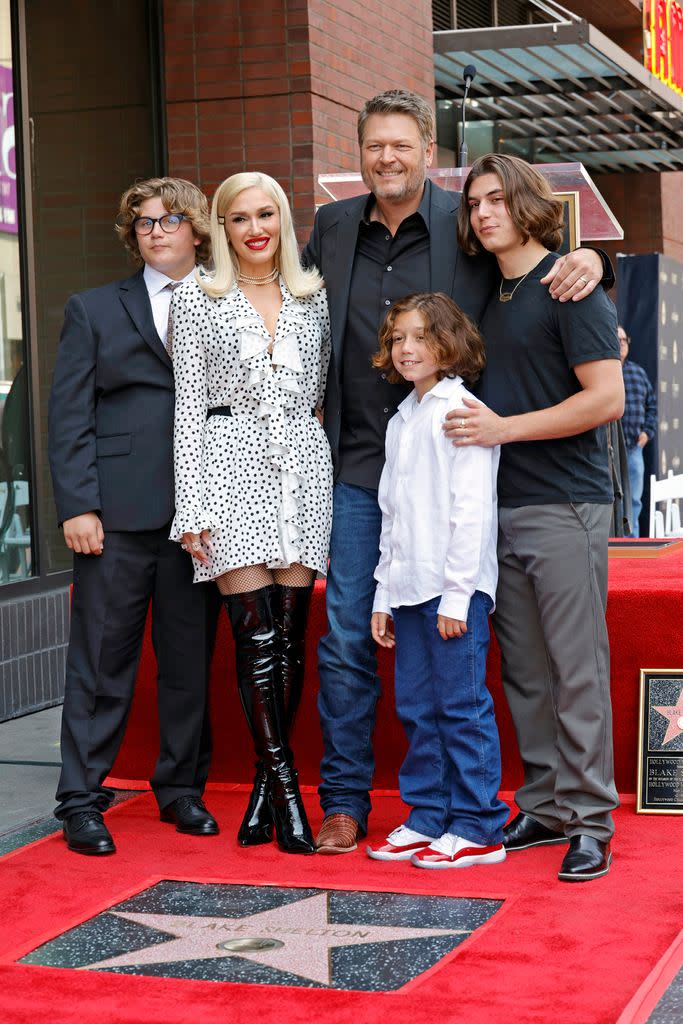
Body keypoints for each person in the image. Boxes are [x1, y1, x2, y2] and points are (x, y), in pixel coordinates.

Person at [303, 87, 610, 854]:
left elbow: (555, 300)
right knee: (357, 640)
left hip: (473, 471)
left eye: (402, 144)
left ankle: (546, 814)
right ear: (361, 150)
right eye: (374, 144)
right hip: (369, 468)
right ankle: (359, 801)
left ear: (425, 153)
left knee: (502, 655)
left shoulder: (466, 228)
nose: (387, 157)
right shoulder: (335, 226)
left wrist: (591, 261)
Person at [449, 153, 624, 882]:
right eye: (474, 203)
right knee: (523, 670)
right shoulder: (491, 294)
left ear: (526, 205)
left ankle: (590, 820)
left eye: (497, 199)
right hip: (499, 507)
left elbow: (605, 399)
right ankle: (547, 805)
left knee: (573, 669)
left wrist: (504, 429)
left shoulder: (569, 287)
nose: (484, 212)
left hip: (564, 502)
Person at [48, 177, 220, 855]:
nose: (155, 230)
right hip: (114, 516)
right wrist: (79, 505)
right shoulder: (93, 308)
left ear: (197, 230)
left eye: (170, 219)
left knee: (187, 661)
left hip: (200, 516)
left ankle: (180, 790)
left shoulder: (224, 301)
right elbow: (68, 414)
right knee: (100, 661)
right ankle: (82, 800)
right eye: (144, 222)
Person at [170, 171, 332, 855]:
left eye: (266, 215)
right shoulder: (195, 297)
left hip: (301, 462)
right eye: (239, 218)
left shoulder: (312, 296)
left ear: (283, 222)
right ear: (220, 226)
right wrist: (191, 507)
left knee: (290, 638)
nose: (255, 228)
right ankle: (289, 789)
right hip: (226, 460)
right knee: (254, 638)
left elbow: (318, 390)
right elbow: (185, 405)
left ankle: (266, 788)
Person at [366, 293, 508, 869]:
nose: (407, 348)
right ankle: (428, 816)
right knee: (419, 708)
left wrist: (457, 594)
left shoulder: (460, 411)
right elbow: (392, 513)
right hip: (407, 588)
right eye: (398, 337)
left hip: (455, 592)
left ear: (448, 344)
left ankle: (478, 826)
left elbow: (470, 512)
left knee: (461, 705)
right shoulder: (403, 418)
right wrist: (383, 592)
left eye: (421, 336)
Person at [618, 325, 657, 536]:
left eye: (624, 340)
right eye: (617, 339)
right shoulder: (604, 374)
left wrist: (646, 434)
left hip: (634, 450)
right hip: (609, 452)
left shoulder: (638, 373)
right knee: (610, 502)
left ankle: (632, 547)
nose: (621, 343)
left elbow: (652, 406)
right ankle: (611, 547)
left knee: (634, 501)